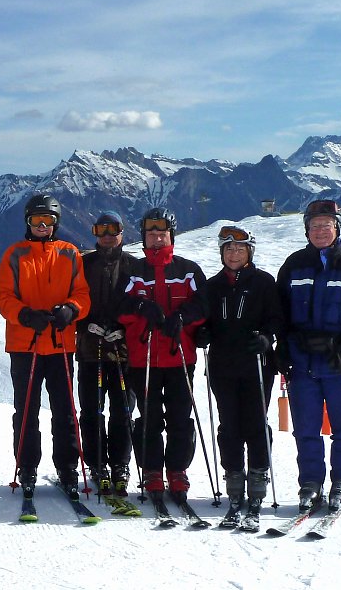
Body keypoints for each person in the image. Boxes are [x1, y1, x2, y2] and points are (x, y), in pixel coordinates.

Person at [276, 199, 341, 511]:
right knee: (306, 429)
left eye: (327, 225)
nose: (321, 231)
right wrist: (282, 348)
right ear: (307, 229)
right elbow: (279, 313)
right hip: (303, 361)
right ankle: (310, 482)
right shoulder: (294, 265)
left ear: (337, 228)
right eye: (315, 225)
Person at [0, 194, 90, 496]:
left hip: (60, 343)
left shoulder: (70, 253)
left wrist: (71, 309)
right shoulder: (15, 254)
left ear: (56, 224)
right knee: (26, 410)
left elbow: (83, 294)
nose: (42, 226)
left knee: (65, 409)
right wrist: (24, 314)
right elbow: (3, 296)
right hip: (26, 344)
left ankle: (67, 466)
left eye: (48, 221)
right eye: (37, 220)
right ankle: (27, 466)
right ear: (28, 222)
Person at [117, 207, 206, 499]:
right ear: (144, 237)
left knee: (180, 417)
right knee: (149, 418)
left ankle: (177, 471)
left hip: (180, 356)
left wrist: (184, 316)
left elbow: (203, 305)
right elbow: (119, 307)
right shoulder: (133, 271)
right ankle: (152, 470)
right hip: (143, 358)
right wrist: (142, 307)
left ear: (171, 237)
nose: (156, 239)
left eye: (162, 234)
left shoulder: (188, 270)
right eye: (151, 234)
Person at [204, 225, 283, 525]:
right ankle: (234, 484)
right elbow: (205, 318)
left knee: (255, 424)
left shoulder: (263, 282)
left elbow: (277, 317)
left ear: (250, 252)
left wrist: (267, 336)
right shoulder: (213, 286)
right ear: (222, 252)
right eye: (228, 249)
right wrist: (203, 332)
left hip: (257, 365)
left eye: (240, 249)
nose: (234, 253)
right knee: (230, 426)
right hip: (223, 365)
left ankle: (258, 485)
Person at [75, 211, 137, 500]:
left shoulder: (134, 266)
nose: (108, 235)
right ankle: (97, 463)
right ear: (95, 233)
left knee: (123, 411)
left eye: (114, 230)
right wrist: (83, 324)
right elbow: (70, 299)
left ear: (123, 233)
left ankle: (120, 464)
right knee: (91, 411)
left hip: (124, 353)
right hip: (90, 350)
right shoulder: (82, 265)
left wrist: (126, 329)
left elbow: (141, 304)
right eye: (102, 230)